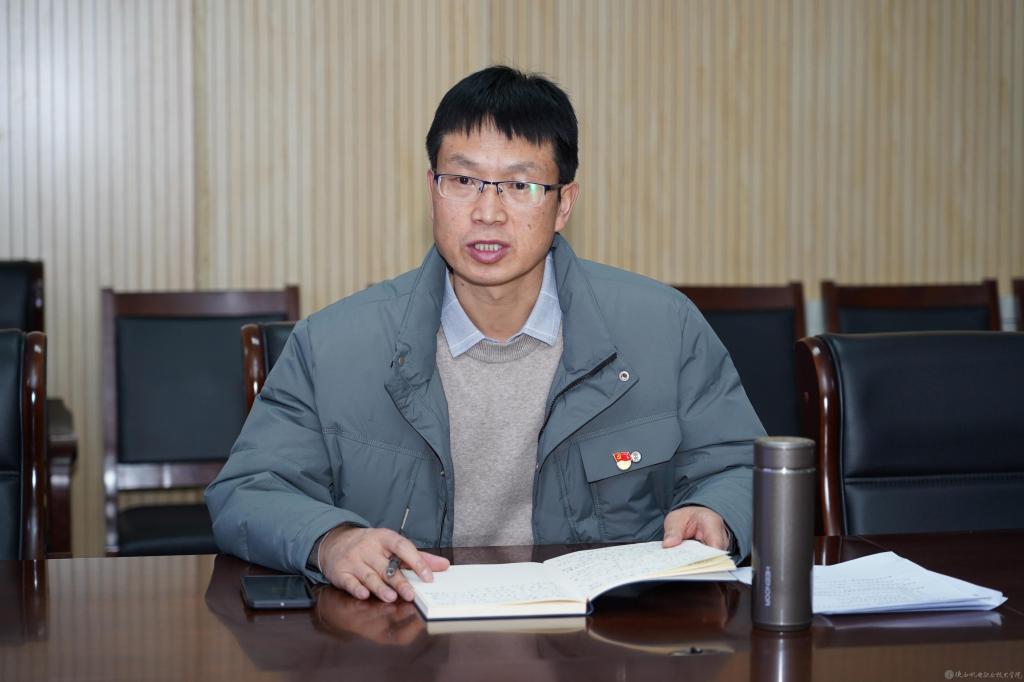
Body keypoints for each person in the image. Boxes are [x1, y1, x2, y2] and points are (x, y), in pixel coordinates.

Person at [206, 65, 764, 604]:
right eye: (463, 180)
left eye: (520, 184)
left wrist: (717, 513)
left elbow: (741, 467)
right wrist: (330, 541)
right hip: (399, 636)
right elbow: (248, 491)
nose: (488, 212)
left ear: (564, 204)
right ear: (432, 189)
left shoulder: (665, 328)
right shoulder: (332, 346)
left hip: (603, 640)